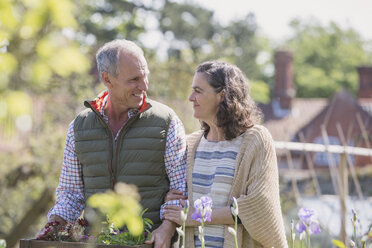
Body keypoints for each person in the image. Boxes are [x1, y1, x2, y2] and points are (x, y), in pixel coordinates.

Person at [36, 39, 187, 248]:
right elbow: (71, 194)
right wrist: (52, 227)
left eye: (145, 76)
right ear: (107, 79)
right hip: (95, 242)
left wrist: (167, 229)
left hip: (149, 242)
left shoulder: (166, 122)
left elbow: (180, 189)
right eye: (134, 79)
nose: (144, 86)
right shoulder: (79, 127)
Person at [163, 61, 288, 248]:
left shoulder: (255, 139)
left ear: (221, 96)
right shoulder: (190, 144)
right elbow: (177, 197)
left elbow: (258, 206)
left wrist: (197, 216)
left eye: (198, 91)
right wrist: (170, 200)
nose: (190, 97)